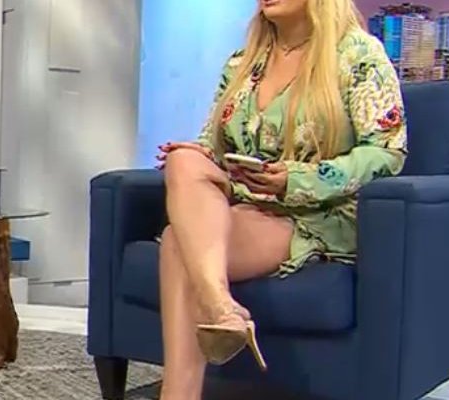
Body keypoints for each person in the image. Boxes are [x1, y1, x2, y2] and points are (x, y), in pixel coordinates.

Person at [150, 0, 406, 398]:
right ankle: (221, 307)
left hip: (316, 212)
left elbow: (386, 152)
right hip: (248, 198)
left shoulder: (358, 54)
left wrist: (296, 179)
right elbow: (214, 144)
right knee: (184, 161)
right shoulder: (244, 63)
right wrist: (198, 152)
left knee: (176, 243)